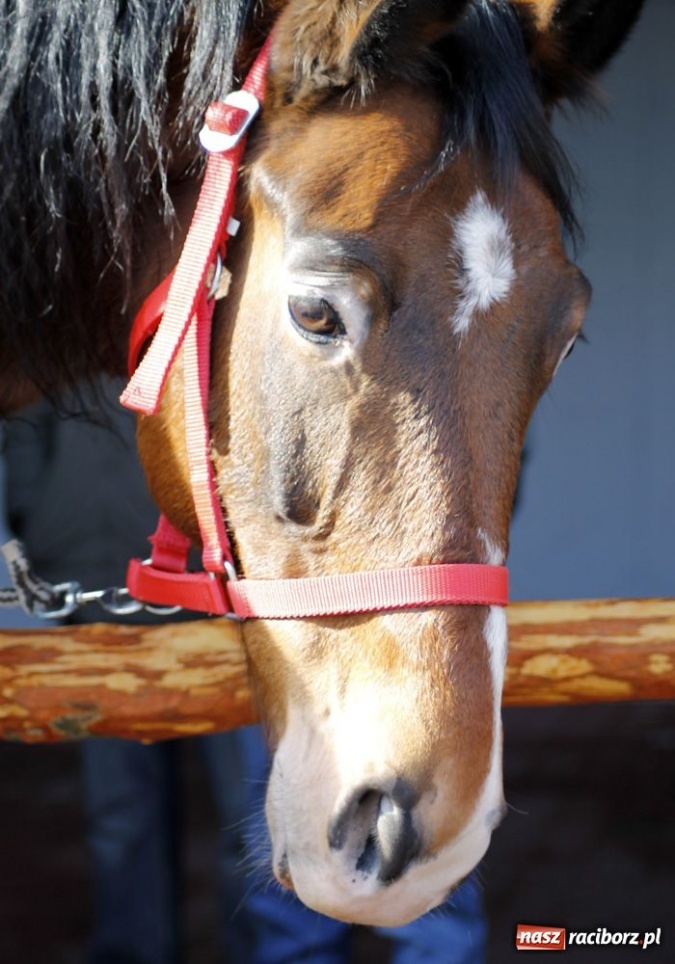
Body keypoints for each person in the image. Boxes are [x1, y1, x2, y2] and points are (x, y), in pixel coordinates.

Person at [3, 377, 487, 963]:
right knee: (122, 815)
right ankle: (134, 952)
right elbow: (30, 429)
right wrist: (45, 534)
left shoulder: (218, 318)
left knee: (254, 810)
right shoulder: (82, 324)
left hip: (235, 610)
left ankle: (254, 951)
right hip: (104, 601)